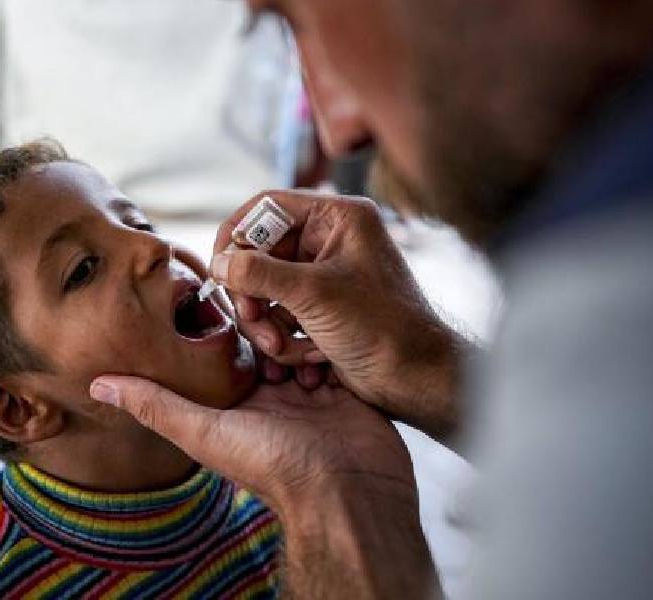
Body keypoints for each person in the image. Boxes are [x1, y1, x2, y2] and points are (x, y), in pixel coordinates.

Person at [89, 1, 653, 598]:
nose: (339, 127)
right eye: (80, 270)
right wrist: (426, 367)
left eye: (298, 19)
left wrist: (329, 494)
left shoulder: (610, 332)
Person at [0, 141, 282, 598]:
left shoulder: (278, 450)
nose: (153, 247)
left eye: (137, 222)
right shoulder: (2, 588)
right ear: (17, 408)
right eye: (84, 269)